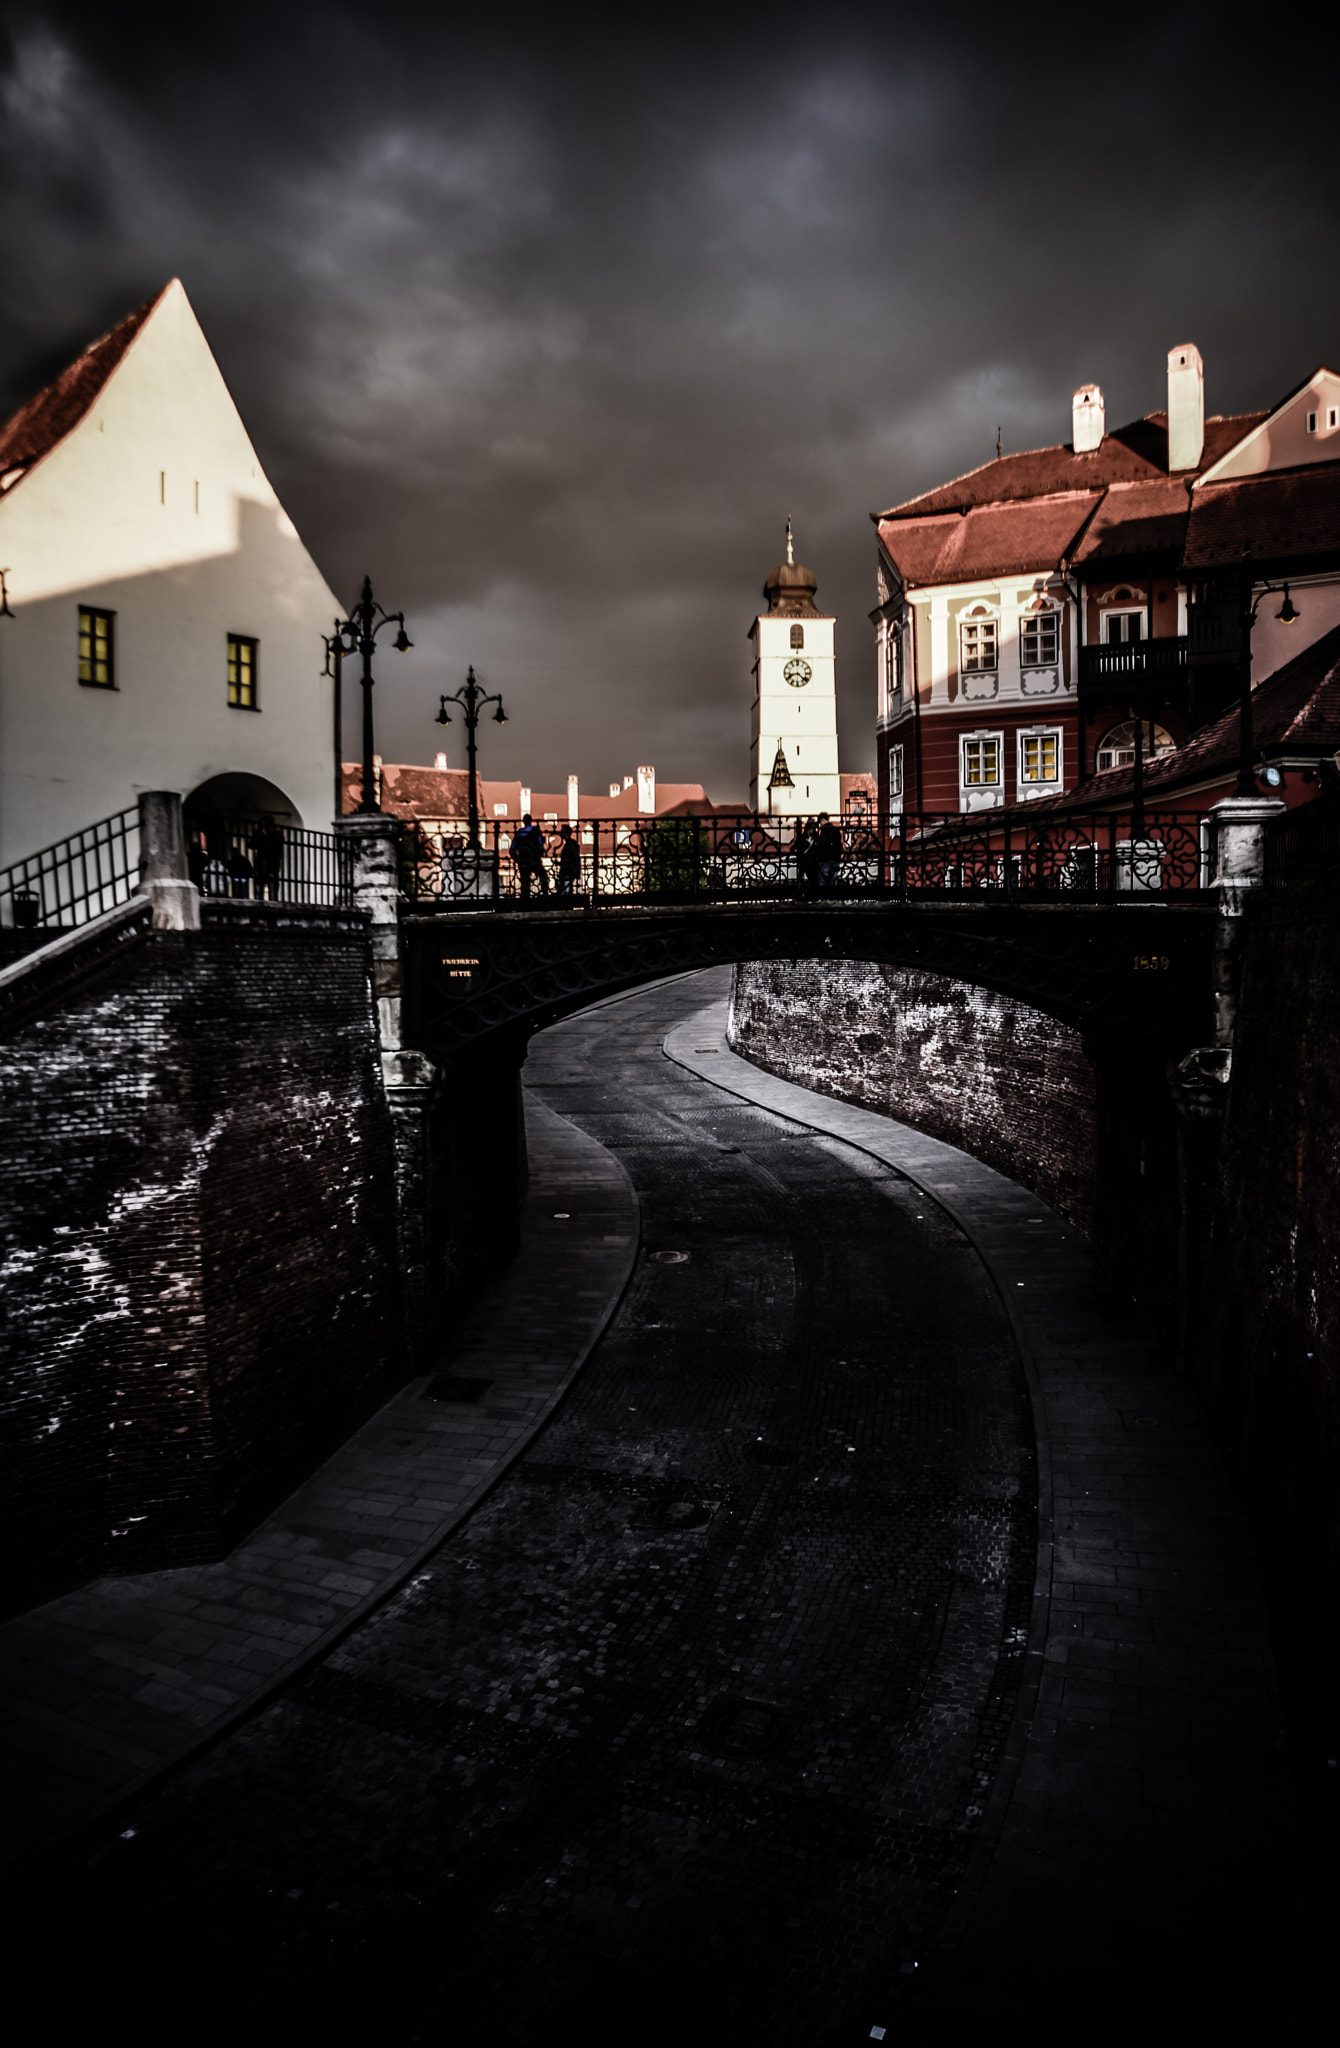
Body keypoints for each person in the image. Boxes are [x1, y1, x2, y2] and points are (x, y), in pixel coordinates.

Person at [510, 813, 549, 899]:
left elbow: (512, 849)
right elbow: (540, 845)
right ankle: (545, 895)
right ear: (531, 821)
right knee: (543, 876)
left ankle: (525, 899)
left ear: (523, 822)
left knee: (525, 881)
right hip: (534, 858)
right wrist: (539, 853)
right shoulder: (535, 831)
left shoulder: (519, 833)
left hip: (523, 860)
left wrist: (517, 859)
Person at [813, 812, 844, 893]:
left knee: (823, 881)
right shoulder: (836, 830)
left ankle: (825, 901)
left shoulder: (824, 830)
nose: (820, 824)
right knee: (833, 881)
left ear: (822, 820)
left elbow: (822, 844)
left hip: (825, 859)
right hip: (835, 858)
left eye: (820, 822)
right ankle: (834, 900)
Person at [556, 822, 583, 897]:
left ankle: (566, 904)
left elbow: (569, 859)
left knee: (565, 891)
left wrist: (561, 863)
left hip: (568, 871)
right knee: (566, 889)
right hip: (569, 870)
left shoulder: (569, 844)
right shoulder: (571, 843)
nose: (560, 833)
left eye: (562, 831)